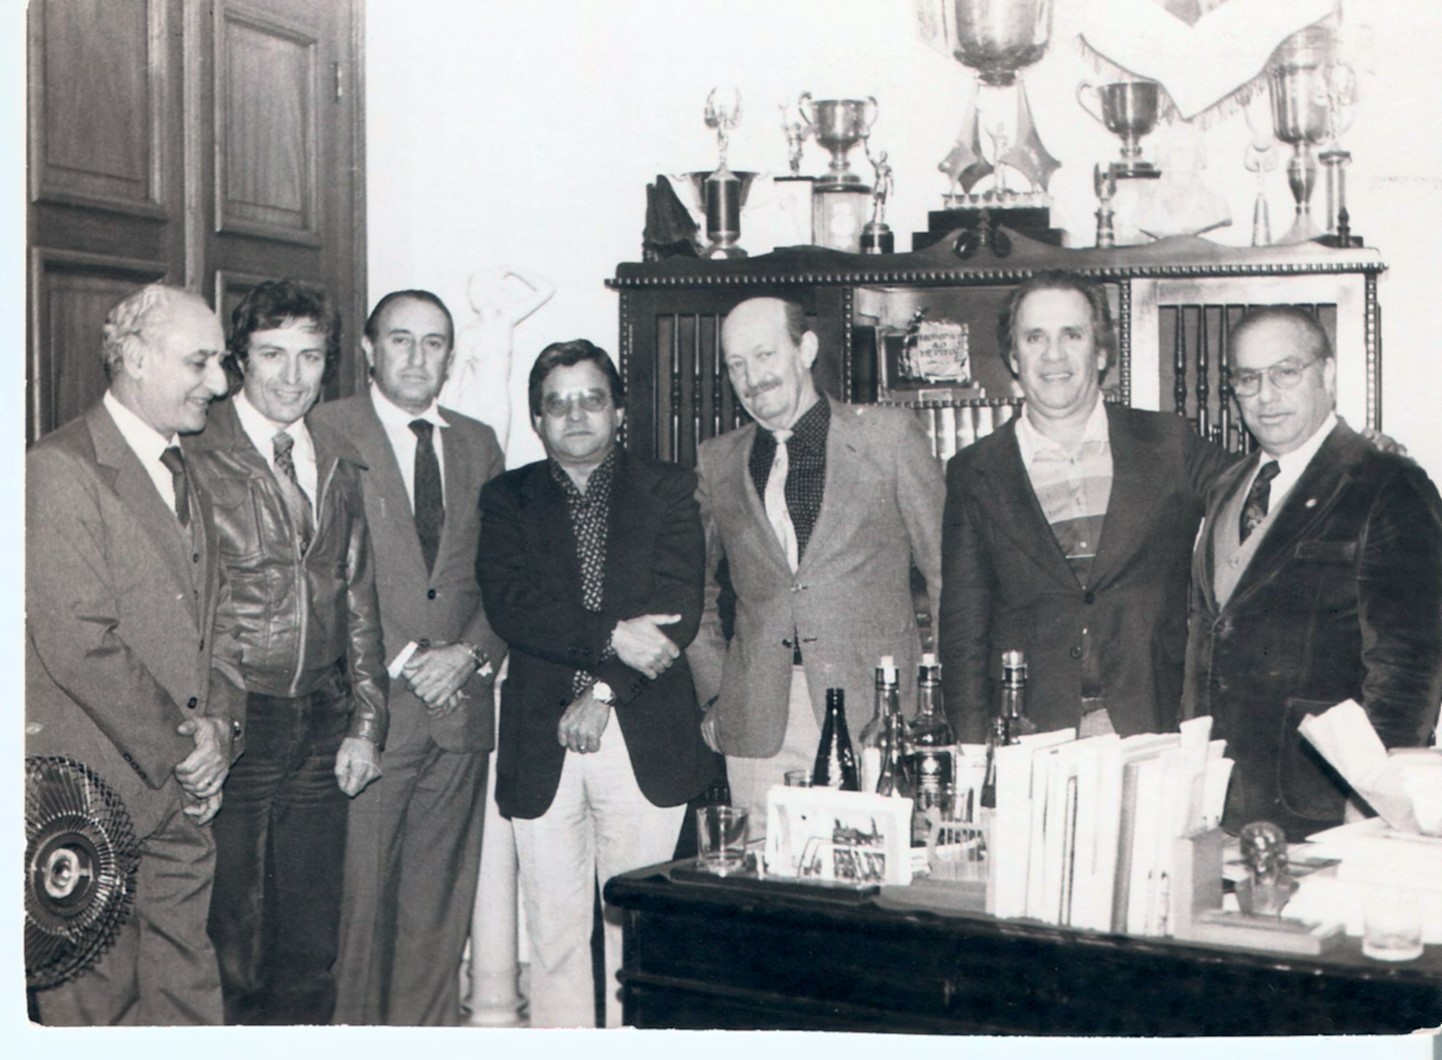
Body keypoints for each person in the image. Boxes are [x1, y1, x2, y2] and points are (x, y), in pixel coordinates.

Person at [477, 339, 714, 1028]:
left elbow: (676, 611)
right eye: (558, 404)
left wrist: (603, 690)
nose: (575, 415)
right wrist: (613, 635)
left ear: (618, 411)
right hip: (540, 739)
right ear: (538, 420)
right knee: (552, 938)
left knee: (635, 934)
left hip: (642, 732)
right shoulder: (508, 498)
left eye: (591, 399)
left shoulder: (669, 489)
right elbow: (513, 607)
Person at [25, 284, 244, 1025]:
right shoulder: (58, 468)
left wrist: (221, 732)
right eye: (200, 362)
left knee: (188, 1004)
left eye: (220, 362)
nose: (220, 383)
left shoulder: (188, 467)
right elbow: (77, 641)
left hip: (182, 801)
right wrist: (187, 748)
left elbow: (217, 624)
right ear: (137, 359)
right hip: (90, 808)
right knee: (97, 1016)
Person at [186, 280, 387, 1024]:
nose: (292, 376)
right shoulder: (197, 453)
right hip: (237, 719)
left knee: (309, 943)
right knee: (230, 941)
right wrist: (207, 719)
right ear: (239, 360)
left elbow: (357, 594)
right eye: (273, 354)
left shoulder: (336, 455)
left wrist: (368, 722)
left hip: (322, 722)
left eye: (310, 356)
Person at [310, 289, 507, 1025]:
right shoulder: (326, 429)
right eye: (400, 339)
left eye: (434, 343)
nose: (418, 357)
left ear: (450, 356)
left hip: (459, 710)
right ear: (368, 350)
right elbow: (317, 575)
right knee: (357, 916)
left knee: (436, 917)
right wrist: (401, 659)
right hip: (368, 719)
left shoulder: (478, 443)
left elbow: (507, 575)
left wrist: (469, 654)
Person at [939, 271, 1234, 743]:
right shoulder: (974, 471)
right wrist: (972, 751)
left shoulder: (1168, 443)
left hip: (1155, 726)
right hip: (1032, 737)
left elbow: (1262, 496)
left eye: (1071, 335)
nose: (1053, 355)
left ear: (1101, 352)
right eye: (1035, 337)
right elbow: (963, 631)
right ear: (1014, 357)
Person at [1182, 306, 1442, 841]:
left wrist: (1370, 801)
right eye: (1248, 378)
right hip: (1219, 802)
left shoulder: (1388, 485)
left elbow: (1408, 671)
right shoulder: (1227, 487)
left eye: (1286, 372)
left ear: (1327, 374)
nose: (1266, 395)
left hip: (1323, 806)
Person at [688, 296, 944, 828]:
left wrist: (933, 703)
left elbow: (948, 577)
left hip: (875, 714)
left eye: (764, 355)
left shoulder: (890, 437)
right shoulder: (717, 460)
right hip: (758, 722)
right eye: (736, 365)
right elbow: (692, 590)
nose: (752, 378)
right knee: (766, 875)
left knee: (873, 866)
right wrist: (717, 693)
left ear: (805, 349)